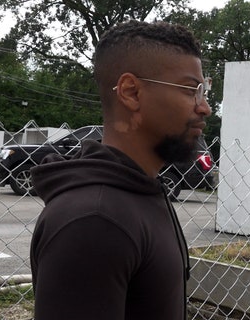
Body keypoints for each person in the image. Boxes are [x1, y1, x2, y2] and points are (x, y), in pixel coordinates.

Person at [29, 20, 211, 320]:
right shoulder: (93, 221)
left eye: (203, 92)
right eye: (191, 90)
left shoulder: (143, 192)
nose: (204, 107)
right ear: (131, 92)